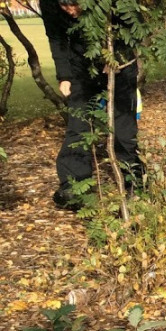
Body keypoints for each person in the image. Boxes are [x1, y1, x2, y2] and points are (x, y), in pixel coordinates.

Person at [40, 0, 143, 211]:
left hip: (119, 62)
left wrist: (114, 56)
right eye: (64, 6)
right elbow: (57, 38)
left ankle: (134, 181)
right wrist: (64, 76)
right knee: (78, 124)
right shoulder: (48, 3)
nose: (71, 11)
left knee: (123, 126)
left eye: (75, 5)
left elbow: (132, 28)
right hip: (82, 65)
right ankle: (74, 186)